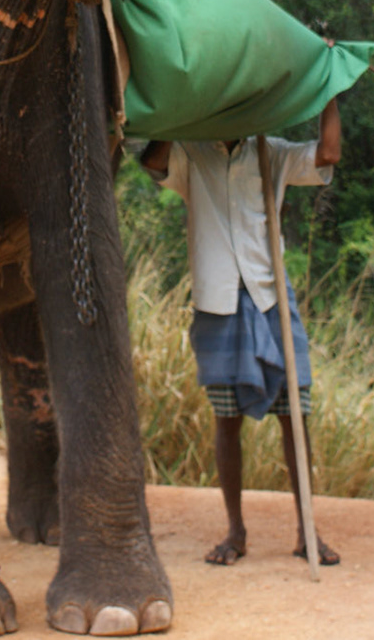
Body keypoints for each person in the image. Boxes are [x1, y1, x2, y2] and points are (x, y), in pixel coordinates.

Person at [140, 97, 344, 568]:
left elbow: (328, 154)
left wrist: (329, 91)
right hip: (219, 299)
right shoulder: (191, 152)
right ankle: (235, 531)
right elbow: (153, 162)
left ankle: (307, 531)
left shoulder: (271, 150)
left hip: (271, 294)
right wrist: (180, 113)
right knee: (226, 419)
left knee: (295, 414)